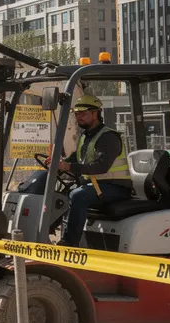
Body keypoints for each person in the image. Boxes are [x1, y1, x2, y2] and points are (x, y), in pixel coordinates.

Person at [54, 95, 131, 247]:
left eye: (83, 113)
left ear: (95, 113)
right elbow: (76, 158)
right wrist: (59, 164)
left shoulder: (109, 137)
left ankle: (69, 243)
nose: (78, 117)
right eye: (76, 114)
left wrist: (69, 167)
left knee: (78, 195)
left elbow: (101, 166)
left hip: (116, 187)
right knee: (60, 193)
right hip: (96, 185)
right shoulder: (86, 136)